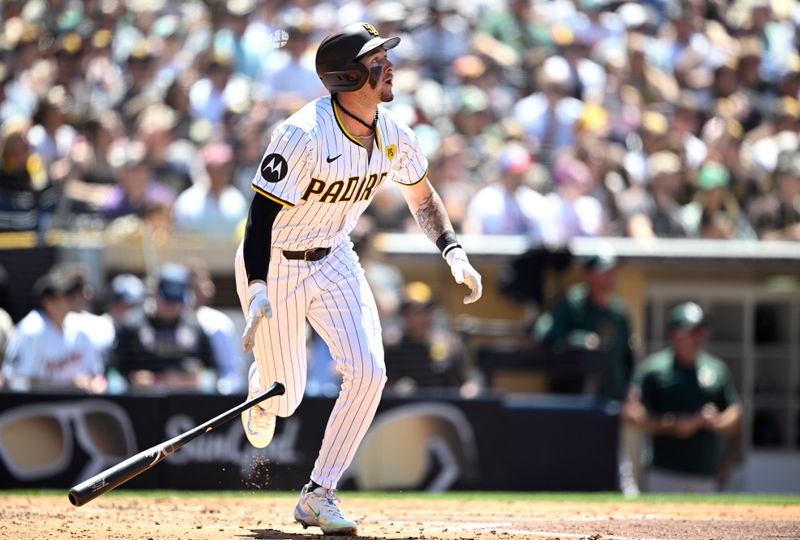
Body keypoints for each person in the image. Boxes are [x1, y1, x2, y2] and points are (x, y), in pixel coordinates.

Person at [235, 22, 482, 535]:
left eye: (385, 57)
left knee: (370, 371)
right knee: (287, 398)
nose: (388, 65)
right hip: (276, 259)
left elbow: (422, 195)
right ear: (348, 76)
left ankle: (319, 492)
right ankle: (264, 382)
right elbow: (260, 215)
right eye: (376, 61)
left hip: (336, 256)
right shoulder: (303, 133)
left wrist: (452, 248)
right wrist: (257, 286)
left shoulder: (394, 132)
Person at [622, 302, 742, 493]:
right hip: (665, 472)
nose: (699, 337)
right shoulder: (654, 369)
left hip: (705, 472)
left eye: (701, 331)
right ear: (675, 334)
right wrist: (673, 424)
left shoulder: (716, 369)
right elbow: (632, 413)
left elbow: (735, 412)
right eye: (692, 332)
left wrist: (715, 421)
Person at [109, 263, 216, 392]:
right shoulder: (132, 325)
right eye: (167, 300)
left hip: (185, 403)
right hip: (142, 403)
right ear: (155, 292)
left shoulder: (194, 326)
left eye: (176, 301)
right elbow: (114, 373)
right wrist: (132, 380)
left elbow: (211, 370)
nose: (172, 307)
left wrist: (196, 380)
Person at [1, 265, 106, 392]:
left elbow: (95, 374)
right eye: (69, 295)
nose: (75, 299)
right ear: (48, 301)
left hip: (76, 407)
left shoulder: (81, 328)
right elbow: (14, 381)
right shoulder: (32, 329)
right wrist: (65, 385)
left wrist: (91, 382)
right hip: (36, 408)